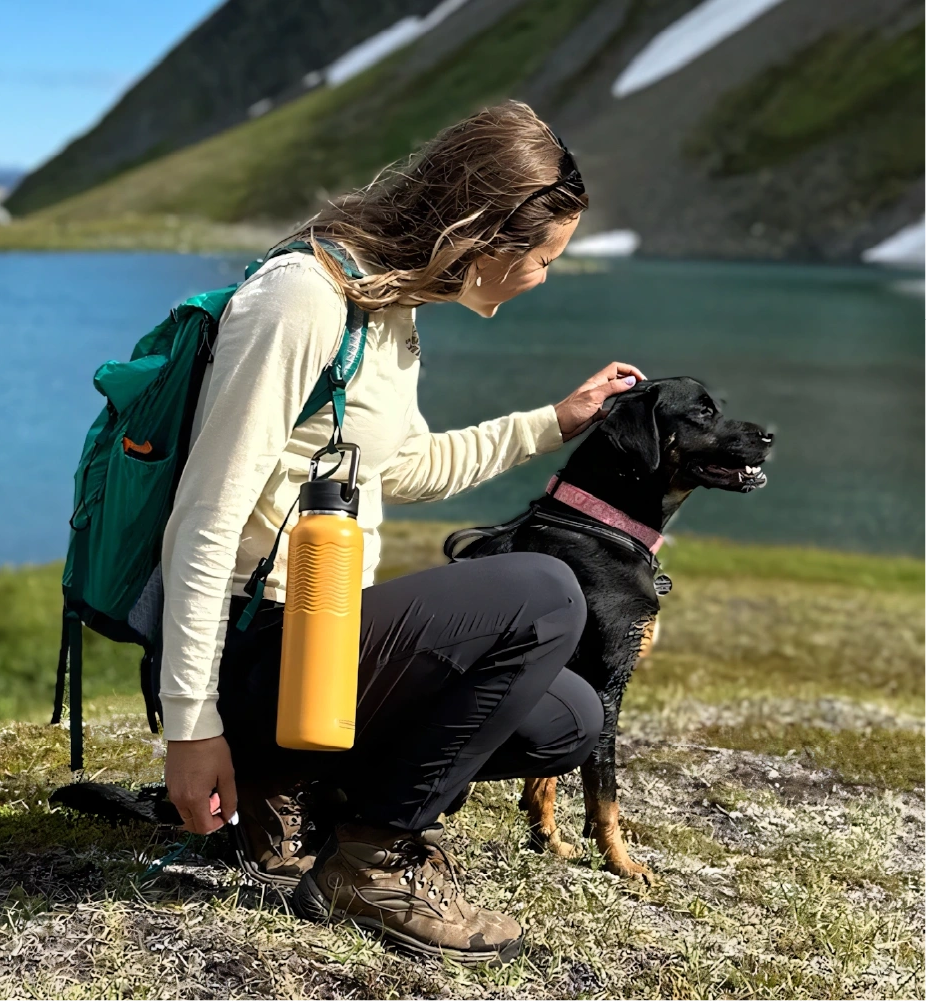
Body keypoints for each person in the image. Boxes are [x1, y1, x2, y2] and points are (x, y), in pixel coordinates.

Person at [160, 100, 646, 964]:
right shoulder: (302, 298)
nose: (540, 275)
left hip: (315, 647)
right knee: (541, 593)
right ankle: (373, 856)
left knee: (562, 720)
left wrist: (553, 420)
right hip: (257, 650)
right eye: (540, 256)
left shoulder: (384, 305)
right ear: (483, 233)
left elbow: (404, 467)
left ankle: (297, 798)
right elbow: (204, 519)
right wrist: (190, 728)